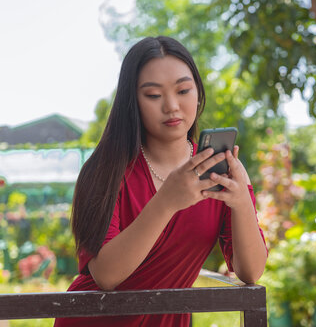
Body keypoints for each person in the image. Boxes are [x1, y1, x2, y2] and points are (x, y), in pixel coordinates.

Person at [54, 36, 267, 327]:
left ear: (198, 93)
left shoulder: (219, 170)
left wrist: (242, 200)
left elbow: (251, 271)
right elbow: (106, 275)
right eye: (153, 95)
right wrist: (166, 201)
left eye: (183, 90)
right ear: (133, 102)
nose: (171, 106)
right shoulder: (106, 169)